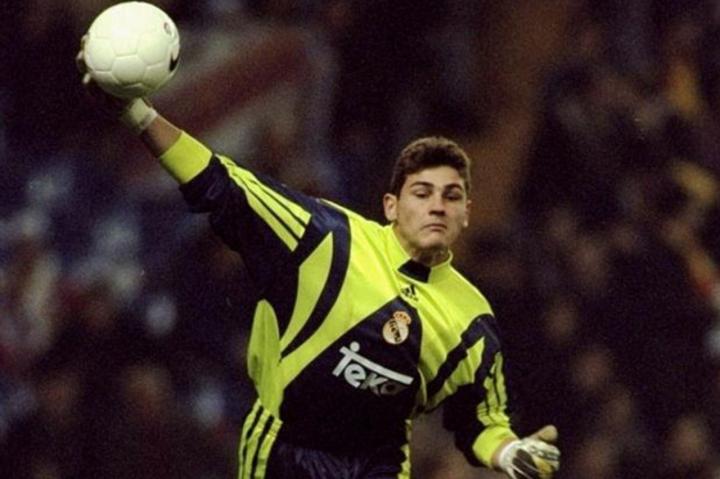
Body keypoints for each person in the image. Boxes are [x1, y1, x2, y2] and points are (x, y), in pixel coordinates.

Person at [76, 40, 560, 479]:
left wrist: (506, 452)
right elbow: (221, 182)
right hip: (283, 456)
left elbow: (481, 420)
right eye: (422, 194)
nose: (437, 208)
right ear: (391, 205)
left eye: (451, 197)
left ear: (466, 214)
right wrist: (137, 114)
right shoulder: (327, 238)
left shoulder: (469, 317)